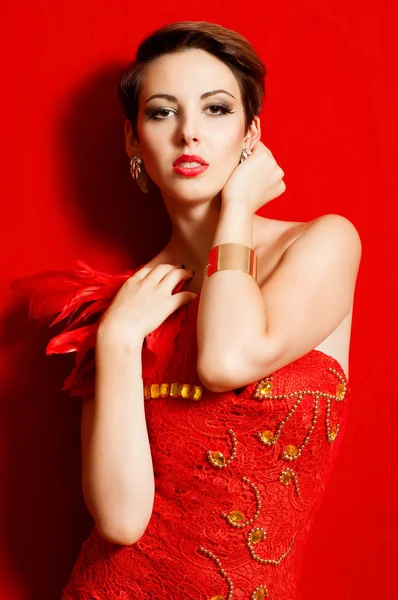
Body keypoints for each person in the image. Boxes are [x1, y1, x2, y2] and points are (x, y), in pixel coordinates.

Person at [11, 20, 362, 600]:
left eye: (217, 109)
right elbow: (121, 521)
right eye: (162, 112)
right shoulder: (124, 306)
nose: (189, 134)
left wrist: (239, 205)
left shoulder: (322, 244)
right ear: (132, 140)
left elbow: (226, 358)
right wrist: (119, 340)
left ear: (252, 134)